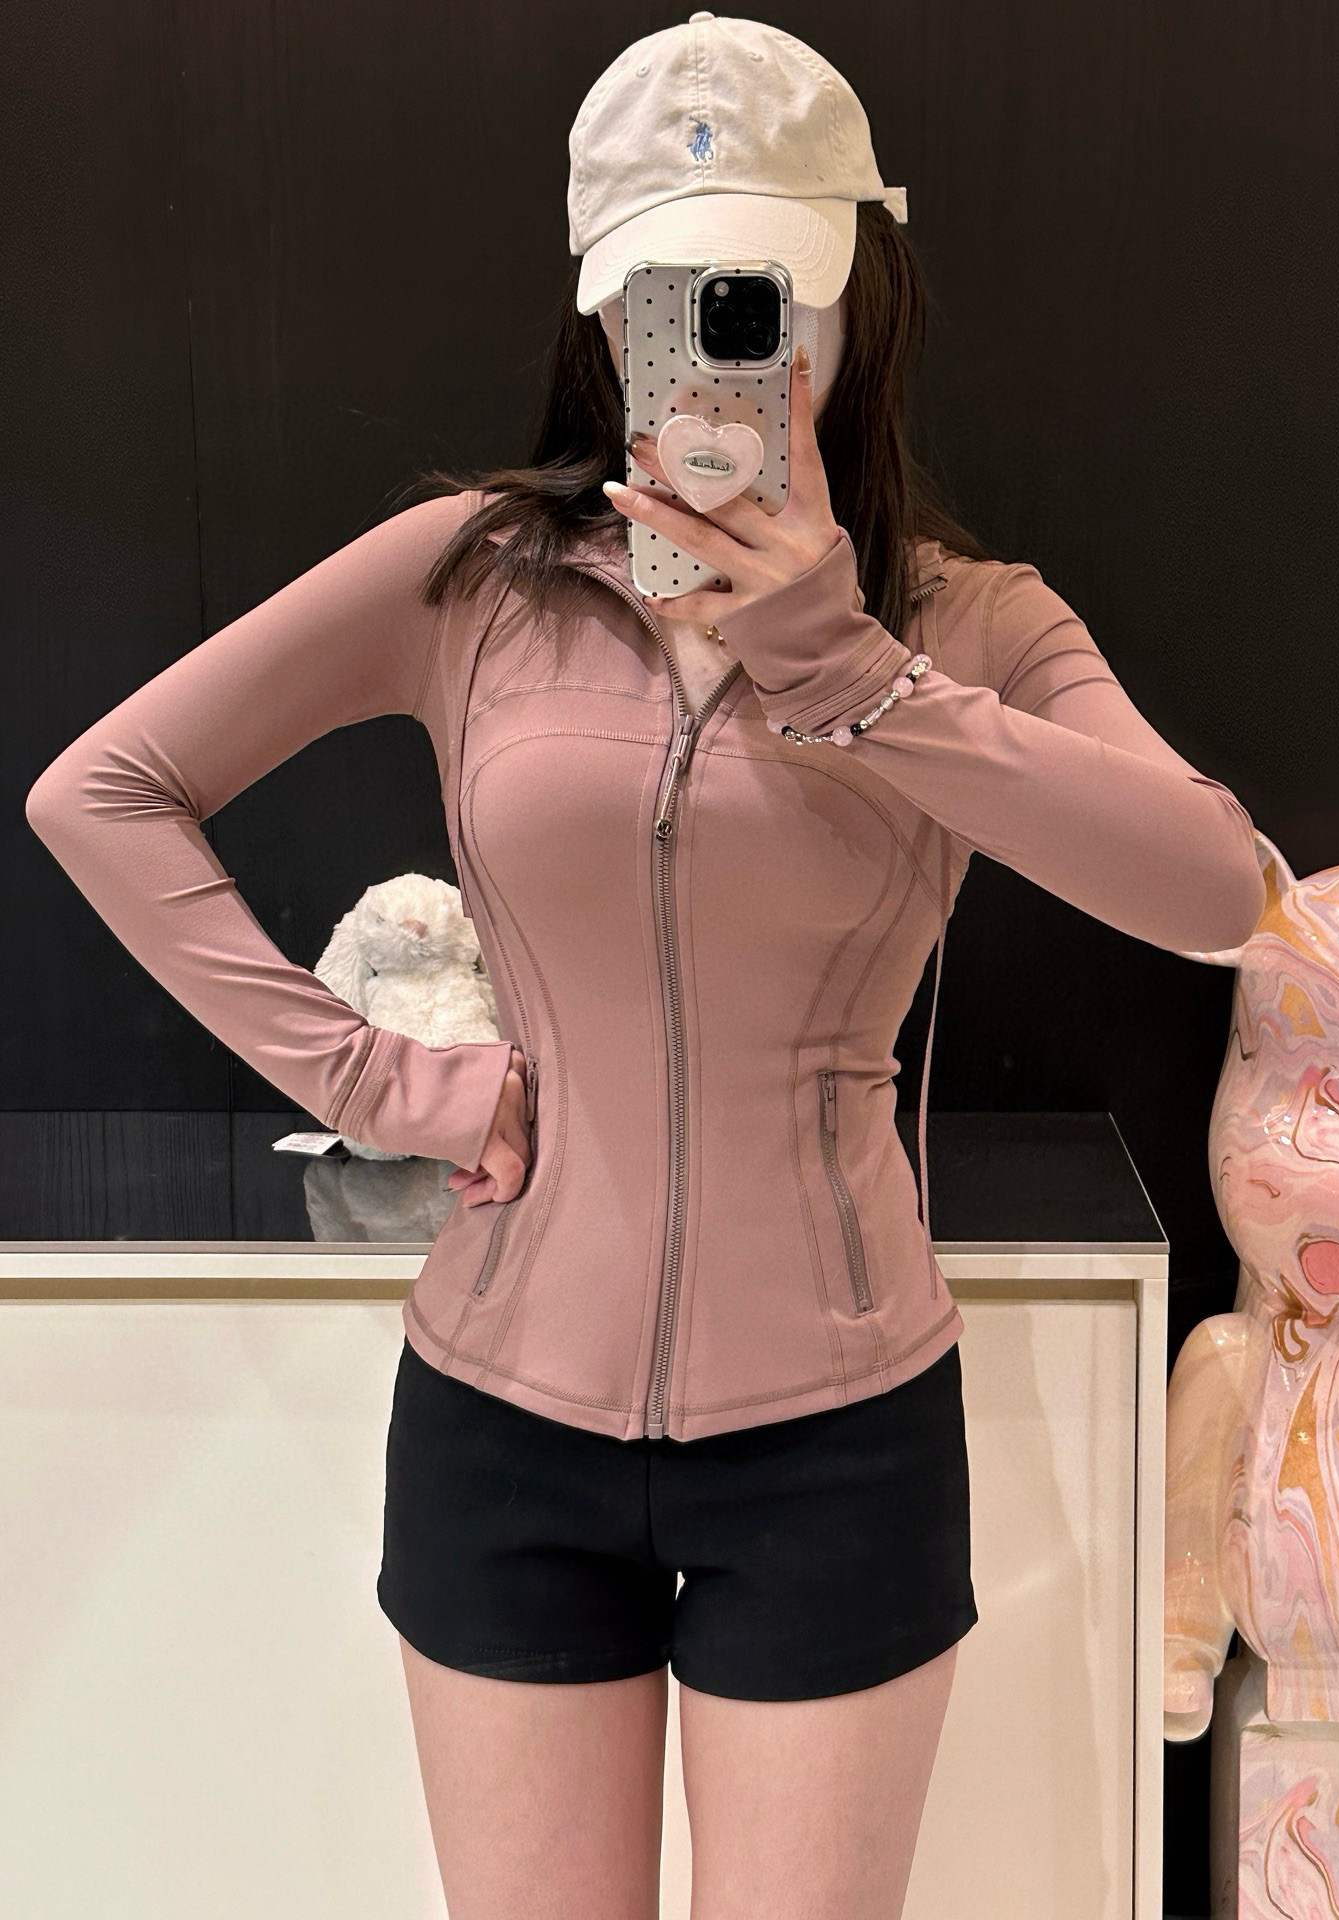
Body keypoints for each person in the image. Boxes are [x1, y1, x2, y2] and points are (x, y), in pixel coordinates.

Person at [25, 13, 1266, 1918]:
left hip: (839, 1437)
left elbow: (1216, 891)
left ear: (855, 301)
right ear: (603, 318)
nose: (711, 340)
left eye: (761, 293)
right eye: (660, 296)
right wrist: (376, 1083)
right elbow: (103, 792)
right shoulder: (471, 578)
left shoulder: (970, 627)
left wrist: (852, 670)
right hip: (501, 1423)